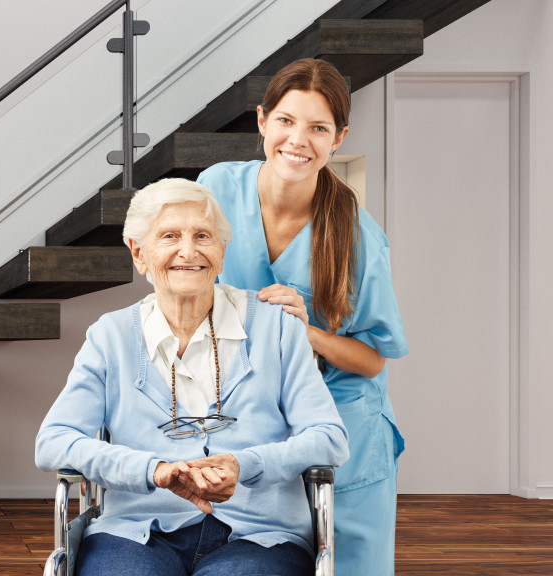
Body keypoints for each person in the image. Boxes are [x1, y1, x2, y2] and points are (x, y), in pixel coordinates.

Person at [35, 177, 348, 576]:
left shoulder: (277, 327)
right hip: (135, 531)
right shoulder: (110, 336)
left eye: (203, 235)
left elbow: (329, 436)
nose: (189, 251)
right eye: (169, 236)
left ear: (221, 251)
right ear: (139, 253)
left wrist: (246, 463)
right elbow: (53, 442)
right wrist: (152, 470)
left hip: (260, 535)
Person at [196, 58, 408, 576]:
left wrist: (306, 330)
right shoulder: (216, 190)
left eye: (318, 128)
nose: (299, 140)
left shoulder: (356, 234)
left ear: (338, 138)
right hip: (252, 416)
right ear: (263, 121)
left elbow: (374, 360)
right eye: (287, 121)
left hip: (342, 425)